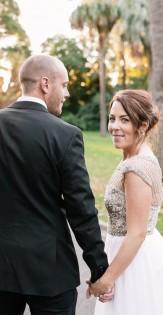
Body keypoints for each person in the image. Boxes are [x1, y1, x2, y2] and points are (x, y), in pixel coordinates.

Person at [0, 54, 109, 315]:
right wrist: (99, 268)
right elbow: (80, 208)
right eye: (65, 84)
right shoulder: (65, 134)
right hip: (50, 270)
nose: (67, 93)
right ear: (45, 84)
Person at [87, 89, 163, 315]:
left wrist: (107, 279)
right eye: (112, 118)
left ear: (142, 126)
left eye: (125, 120)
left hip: (135, 262)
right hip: (127, 253)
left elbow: (136, 233)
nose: (114, 126)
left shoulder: (137, 167)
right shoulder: (133, 157)